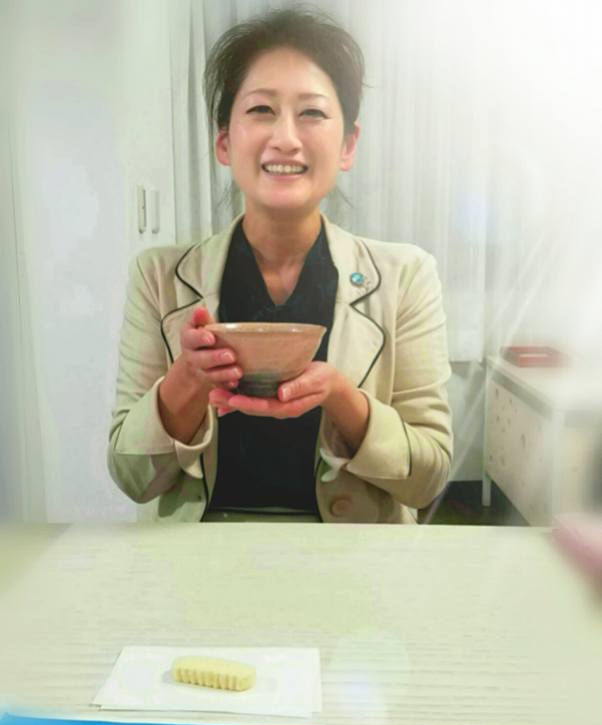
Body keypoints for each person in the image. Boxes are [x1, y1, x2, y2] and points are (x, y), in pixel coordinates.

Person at [108, 7, 452, 523]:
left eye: (311, 113)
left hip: (351, 558)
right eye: (262, 109)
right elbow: (131, 477)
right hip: (200, 557)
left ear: (348, 145)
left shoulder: (405, 277)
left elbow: (429, 478)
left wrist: (341, 398)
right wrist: (187, 380)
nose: (286, 137)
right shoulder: (158, 278)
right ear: (225, 142)